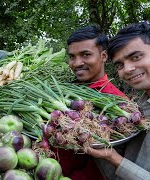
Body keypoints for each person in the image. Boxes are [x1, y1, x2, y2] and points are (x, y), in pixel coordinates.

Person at [53, 25, 127, 180]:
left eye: (86, 55)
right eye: (72, 56)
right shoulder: (64, 90)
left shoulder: (118, 104)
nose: (77, 63)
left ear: (104, 56)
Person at [87, 22, 150, 180]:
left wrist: (113, 158)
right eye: (120, 65)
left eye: (136, 57)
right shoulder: (140, 106)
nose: (127, 69)